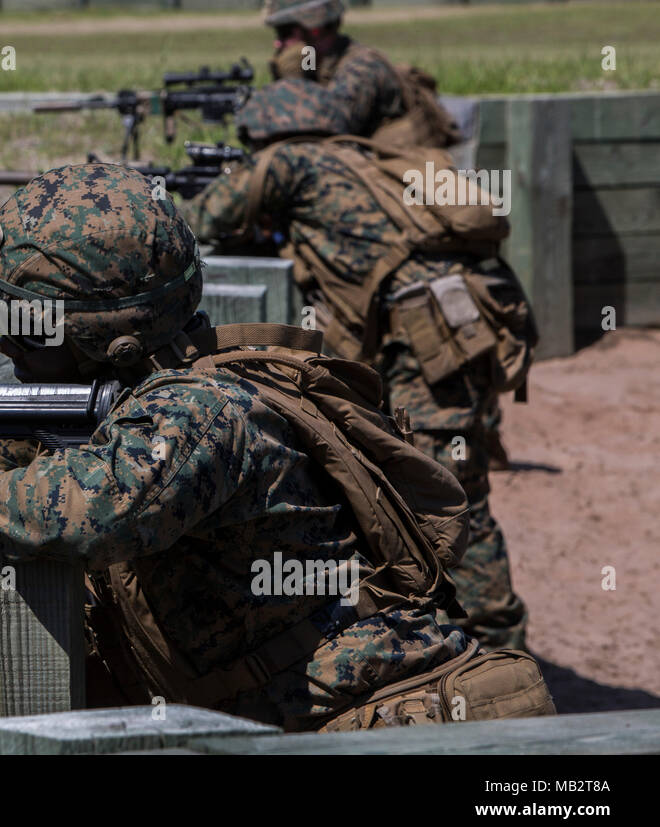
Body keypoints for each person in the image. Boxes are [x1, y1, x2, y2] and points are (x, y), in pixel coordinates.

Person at [0, 162, 553, 732]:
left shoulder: (206, 412)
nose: (5, 338)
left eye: (25, 320)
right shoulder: (118, 398)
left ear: (107, 341)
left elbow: (87, 507)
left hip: (386, 721)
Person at [185, 132, 537, 651]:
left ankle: (499, 651)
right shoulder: (363, 157)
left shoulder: (289, 161)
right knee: (439, 483)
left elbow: (201, 219)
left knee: (453, 497)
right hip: (461, 324)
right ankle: (460, 632)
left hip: (434, 340)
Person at [237, 0, 460, 150]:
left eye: (285, 32)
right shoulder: (315, 66)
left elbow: (328, 131)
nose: (278, 43)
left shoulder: (362, 67)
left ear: (314, 28)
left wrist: (292, 85)